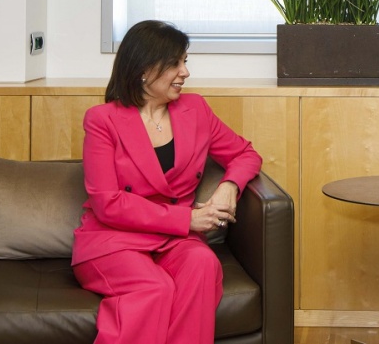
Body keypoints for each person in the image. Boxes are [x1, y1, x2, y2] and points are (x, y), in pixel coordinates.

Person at [71, 20, 262, 344]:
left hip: (176, 240)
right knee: (154, 288)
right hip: (115, 238)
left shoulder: (196, 109)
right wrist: (187, 218)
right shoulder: (102, 120)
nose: (185, 72)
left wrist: (229, 187)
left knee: (203, 264)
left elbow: (245, 154)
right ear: (144, 69)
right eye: (175, 63)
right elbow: (107, 203)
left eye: (185, 61)